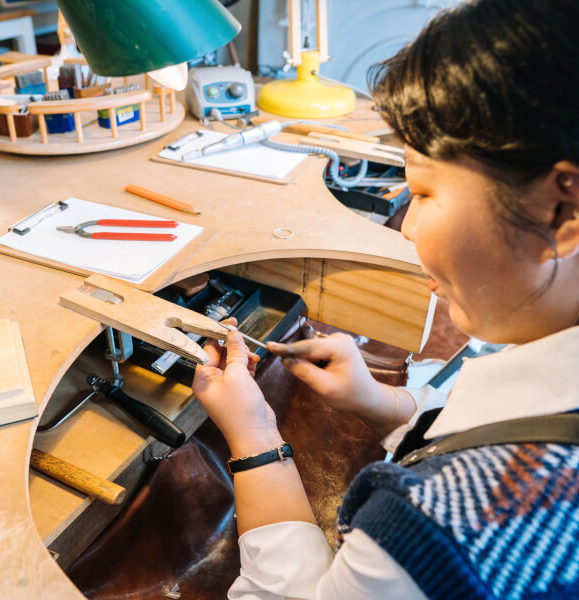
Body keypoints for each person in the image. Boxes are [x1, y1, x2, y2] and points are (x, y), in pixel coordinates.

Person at [192, 0, 579, 598]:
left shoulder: (440, 530)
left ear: (563, 212)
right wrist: (390, 405)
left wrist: (255, 436)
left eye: (423, 191)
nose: (405, 228)